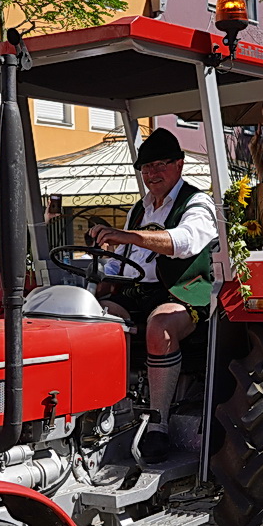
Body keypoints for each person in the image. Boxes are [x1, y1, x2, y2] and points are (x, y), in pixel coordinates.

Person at [87, 128, 218, 460]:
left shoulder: (197, 202)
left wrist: (128, 236)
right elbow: (125, 262)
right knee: (92, 318)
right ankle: (107, 413)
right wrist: (105, 277)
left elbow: (184, 242)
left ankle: (158, 424)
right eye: (146, 168)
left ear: (179, 165)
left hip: (183, 290)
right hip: (137, 290)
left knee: (160, 324)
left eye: (160, 164)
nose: (152, 174)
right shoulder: (139, 209)